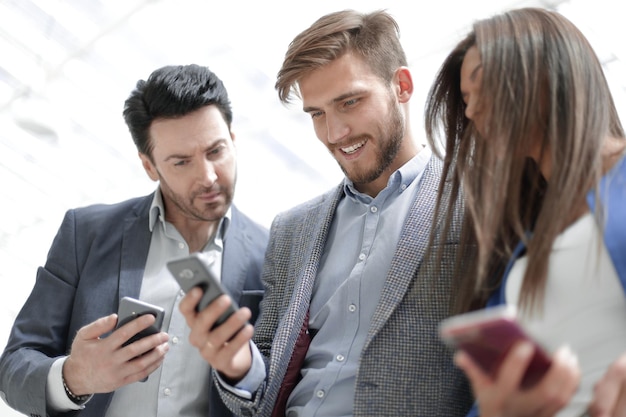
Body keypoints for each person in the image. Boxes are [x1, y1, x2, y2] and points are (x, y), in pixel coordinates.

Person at [179, 9, 474, 417]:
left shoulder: (475, 203)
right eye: (317, 114)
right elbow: (261, 392)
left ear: (401, 86)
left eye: (349, 102)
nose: (334, 134)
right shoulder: (293, 230)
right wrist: (238, 366)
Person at [0, 64, 269, 417]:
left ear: (232, 140)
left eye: (216, 151)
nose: (207, 176)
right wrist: (75, 377)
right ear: (149, 166)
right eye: (181, 162)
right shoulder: (86, 233)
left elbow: (279, 390)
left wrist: (242, 369)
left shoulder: (274, 256)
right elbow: (14, 368)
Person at [423, 7, 626, 417]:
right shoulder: (521, 239)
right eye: (464, 99)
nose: (471, 112)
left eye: (483, 86)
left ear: (547, 71)